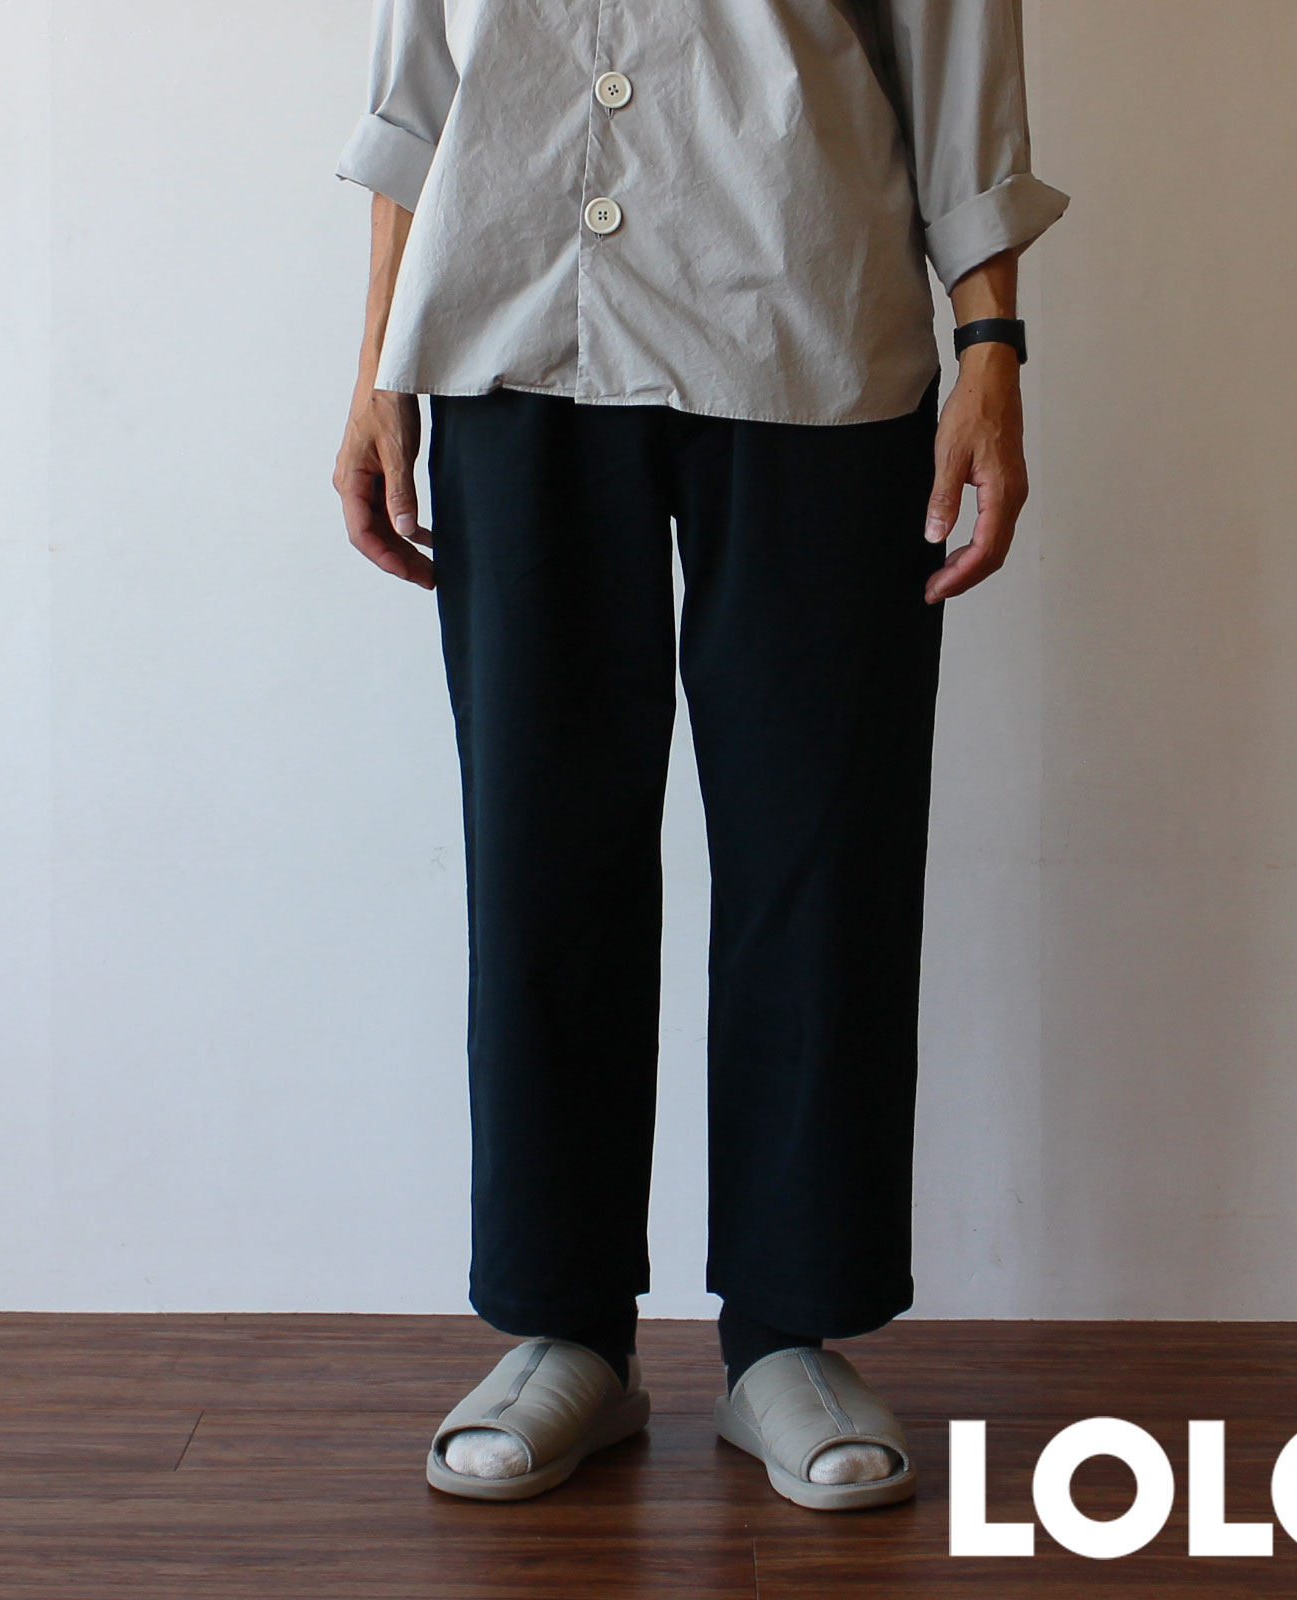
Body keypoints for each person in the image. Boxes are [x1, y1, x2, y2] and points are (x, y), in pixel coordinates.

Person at [332, 0, 1069, 1510]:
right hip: (511, 330)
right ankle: (564, 1330)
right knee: (542, 851)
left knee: (823, 850)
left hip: (810, 318)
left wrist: (991, 346)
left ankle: (789, 1336)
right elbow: (420, 79)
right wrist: (375, 365)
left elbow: (956, 54)